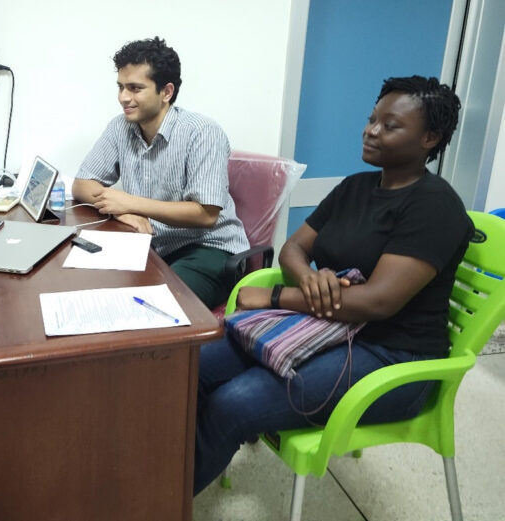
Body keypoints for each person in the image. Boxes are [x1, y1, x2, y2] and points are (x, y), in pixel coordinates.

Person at [193, 75, 474, 494]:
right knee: (189, 366)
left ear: (429, 138)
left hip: (391, 357)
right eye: (371, 119)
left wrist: (276, 297)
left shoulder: (434, 207)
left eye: (390, 125)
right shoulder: (354, 187)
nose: (371, 130)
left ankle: (163, 503)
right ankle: (161, 467)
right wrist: (309, 277)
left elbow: (376, 303)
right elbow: (292, 249)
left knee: (234, 402)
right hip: (329, 327)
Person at [72, 37, 248, 308]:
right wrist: (124, 211)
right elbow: (82, 184)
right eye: (120, 87)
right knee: (88, 286)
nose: (123, 98)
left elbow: (206, 214)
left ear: (166, 92)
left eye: (135, 88)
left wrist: (131, 203)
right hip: (152, 245)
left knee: (152, 307)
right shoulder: (121, 127)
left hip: (209, 249)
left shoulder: (202, 132)